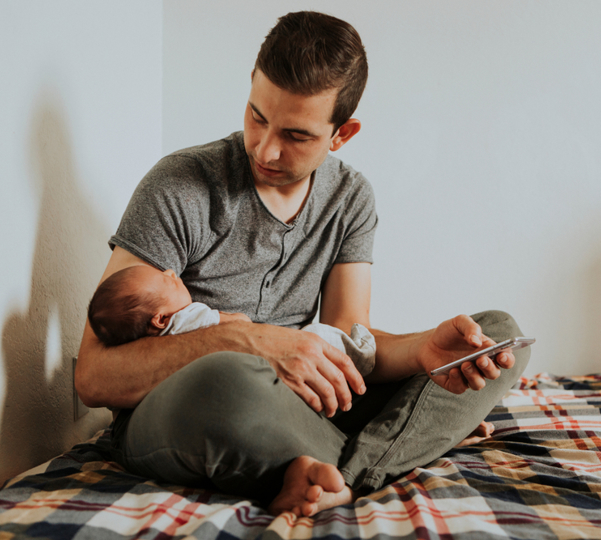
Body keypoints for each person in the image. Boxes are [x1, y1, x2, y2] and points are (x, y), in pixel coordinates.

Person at [75, 11, 530, 517]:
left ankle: (345, 474)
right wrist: (242, 340)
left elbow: (349, 345)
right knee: (224, 381)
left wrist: (424, 348)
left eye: (296, 135)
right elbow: (93, 376)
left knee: (493, 336)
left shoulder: (349, 197)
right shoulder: (180, 185)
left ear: (342, 134)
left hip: (303, 403)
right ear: (251, 86)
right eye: (257, 116)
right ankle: (399, 451)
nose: (265, 148)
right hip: (193, 405)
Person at [86, 264, 376, 376]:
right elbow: (233, 323)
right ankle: (359, 349)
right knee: (315, 336)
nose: (173, 272)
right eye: (168, 282)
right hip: (255, 365)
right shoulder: (188, 319)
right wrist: (237, 320)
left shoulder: (154, 340)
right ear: (160, 319)